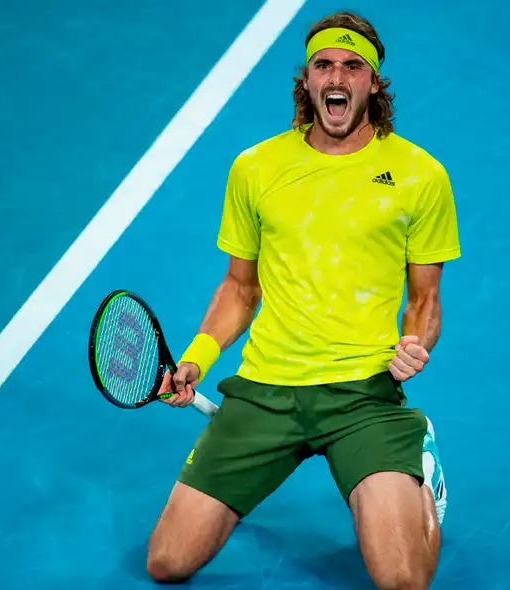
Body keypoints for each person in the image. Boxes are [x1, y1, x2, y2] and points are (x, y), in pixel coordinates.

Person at [146, 11, 460, 589]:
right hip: (266, 391)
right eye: (323, 65)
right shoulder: (256, 168)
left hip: (363, 394)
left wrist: (414, 346)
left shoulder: (420, 176)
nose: (336, 76)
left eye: (351, 65)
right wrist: (195, 359)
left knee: (402, 581)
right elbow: (241, 287)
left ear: (372, 83)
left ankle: (421, 473)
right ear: (308, 81)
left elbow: (425, 298)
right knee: (167, 561)